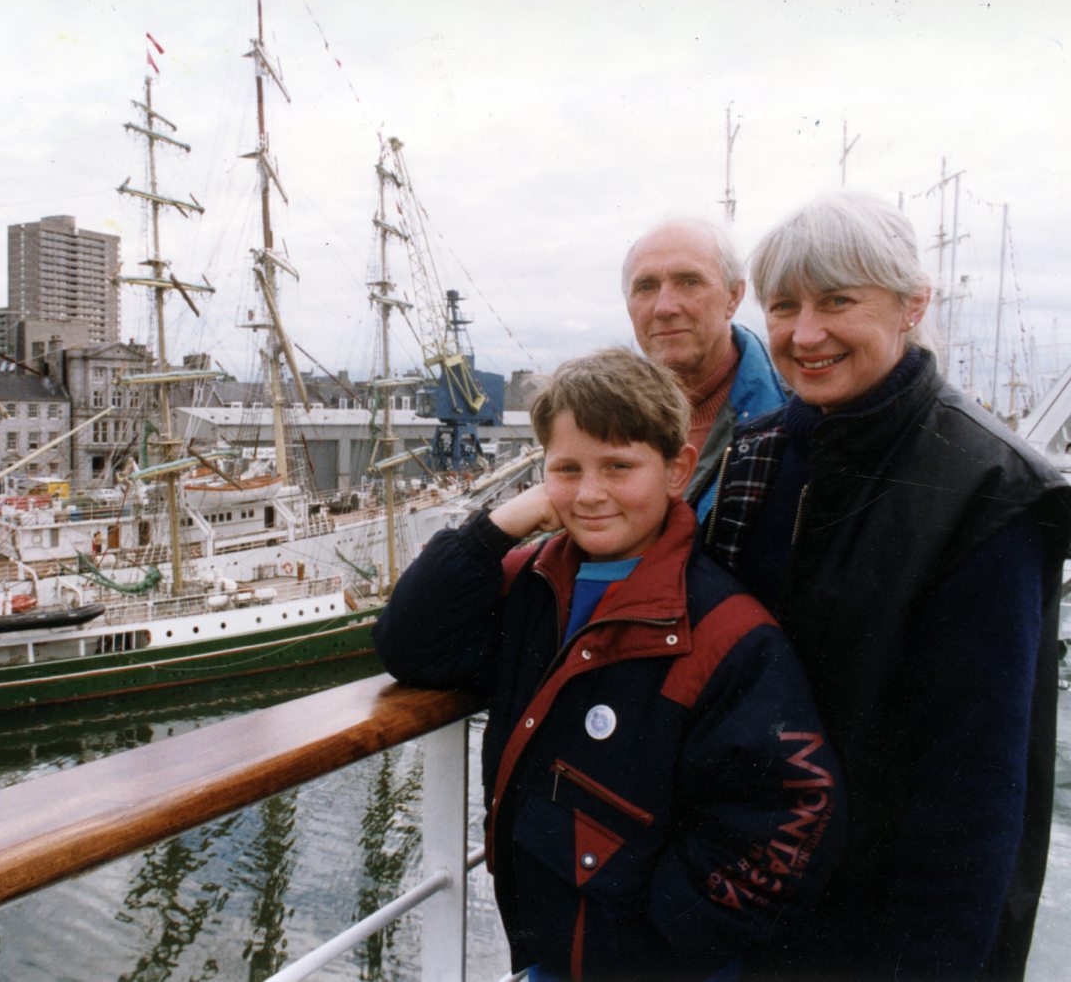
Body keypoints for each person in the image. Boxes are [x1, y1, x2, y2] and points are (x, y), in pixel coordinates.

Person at [374, 348, 844, 980]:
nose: (591, 494)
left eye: (619, 467)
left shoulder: (724, 631)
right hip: (554, 946)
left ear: (678, 469)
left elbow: (795, 813)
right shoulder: (533, 582)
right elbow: (410, 644)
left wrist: (661, 938)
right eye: (567, 469)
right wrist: (499, 527)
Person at [703, 191, 1071, 980]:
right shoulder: (763, 453)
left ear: (912, 306)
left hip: (888, 933)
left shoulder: (990, 486)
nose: (806, 334)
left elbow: (977, 793)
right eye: (785, 305)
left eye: (839, 300)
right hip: (754, 905)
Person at [623, 219, 785, 517]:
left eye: (689, 282)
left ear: (733, 296)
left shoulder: (797, 417)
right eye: (646, 287)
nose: (664, 307)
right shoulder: (604, 418)